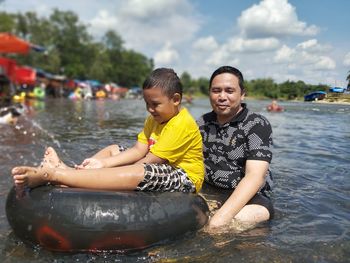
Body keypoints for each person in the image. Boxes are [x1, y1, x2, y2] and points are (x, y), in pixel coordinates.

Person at [12, 68, 204, 194]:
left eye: (155, 104)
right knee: (114, 148)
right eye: (147, 104)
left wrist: (108, 168)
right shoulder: (153, 119)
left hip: (183, 176)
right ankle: (73, 172)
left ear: (176, 100)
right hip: (154, 163)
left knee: (143, 171)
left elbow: (150, 161)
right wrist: (102, 162)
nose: (150, 109)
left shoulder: (182, 123)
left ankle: (53, 175)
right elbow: (138, 150)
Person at [197, 66, 274, 231]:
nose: (222, 97)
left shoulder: (257, 124)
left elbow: (255, 176)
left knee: (224, 226)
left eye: (229, 91)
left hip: (249, 197)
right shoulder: (201, 123)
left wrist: (221, 218)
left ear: (242, 94)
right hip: (210, 190)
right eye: (216, 90)